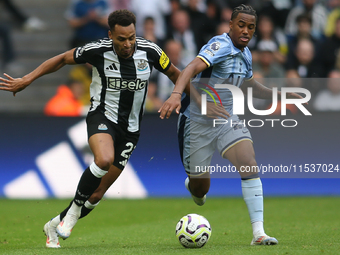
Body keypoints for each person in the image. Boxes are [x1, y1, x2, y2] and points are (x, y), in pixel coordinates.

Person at [0, 9, 182, 248]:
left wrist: (182, 97)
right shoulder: (97, 50)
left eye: (131, 38)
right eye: (121, 39)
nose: (127, 44)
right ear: (110, 35)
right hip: (102, 116)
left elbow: (177, 74)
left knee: (96, 195)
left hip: (131, 129)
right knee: (103, 159)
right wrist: (27, 79)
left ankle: (54, 224)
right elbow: (62, 58)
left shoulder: (151, 51)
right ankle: (73, 214)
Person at [159, 4, 304, 246]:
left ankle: (259, 233)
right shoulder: (219, 45)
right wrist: (175, 94)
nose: (246, 31)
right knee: (200, 188)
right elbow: (191, 69)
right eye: (241, 25)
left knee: (248, 161)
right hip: (196, 123)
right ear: (231, 25)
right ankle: (194, 185)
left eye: (251, 27)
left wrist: (280, 95)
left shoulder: (246, 53)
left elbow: (249, 86)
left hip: (226, 119)